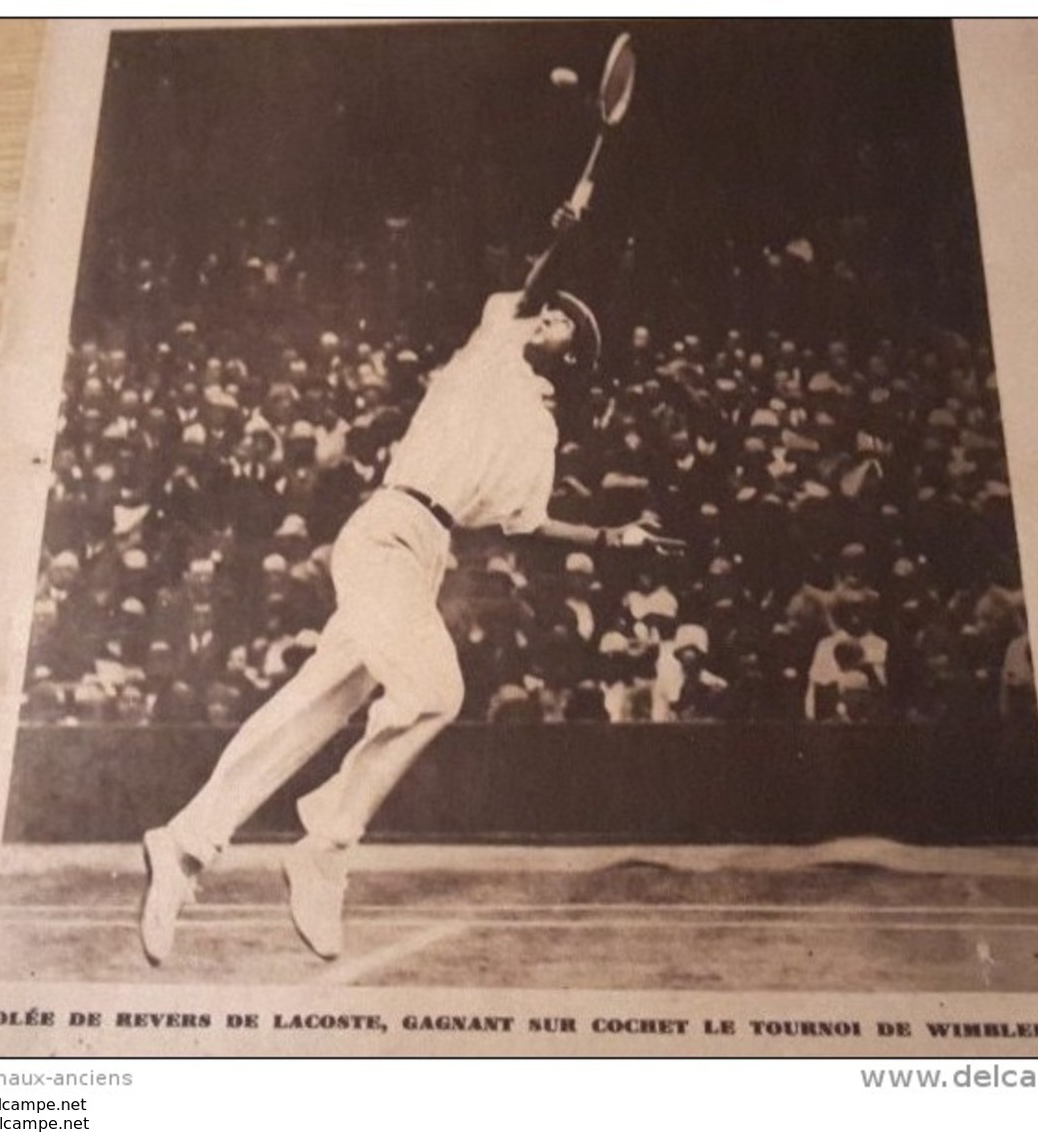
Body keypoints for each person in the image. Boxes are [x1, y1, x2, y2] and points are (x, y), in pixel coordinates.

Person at [140, 204, 685, 965]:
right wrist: (566, 231)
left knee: (313, 705)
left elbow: (522, 524)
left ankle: (186, 843)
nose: (547, 318)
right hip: (386, 531)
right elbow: (532, 288)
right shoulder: (495, 344)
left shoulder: (539, 433)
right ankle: (327, 841)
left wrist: (609, 536)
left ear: (570, 359)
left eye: (562, 324)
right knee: (437, 692)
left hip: (423, 558)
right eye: (548, 310)